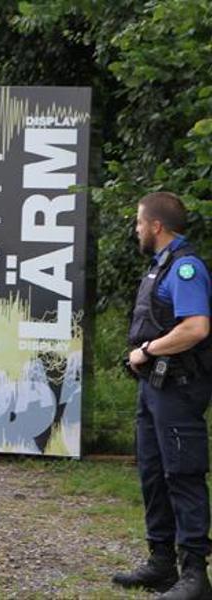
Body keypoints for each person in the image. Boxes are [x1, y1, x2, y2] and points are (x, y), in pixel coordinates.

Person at [112, 192, 212, 599]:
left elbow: (196, 328)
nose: (136, 229)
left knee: (182, 476)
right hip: (152, 390)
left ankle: (195, 576)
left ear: (156, 226)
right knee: (153, 475)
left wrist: (148, 351)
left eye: (139, 222)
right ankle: (160, 564)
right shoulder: (159, 268)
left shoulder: (186, 268)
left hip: (179, 391)